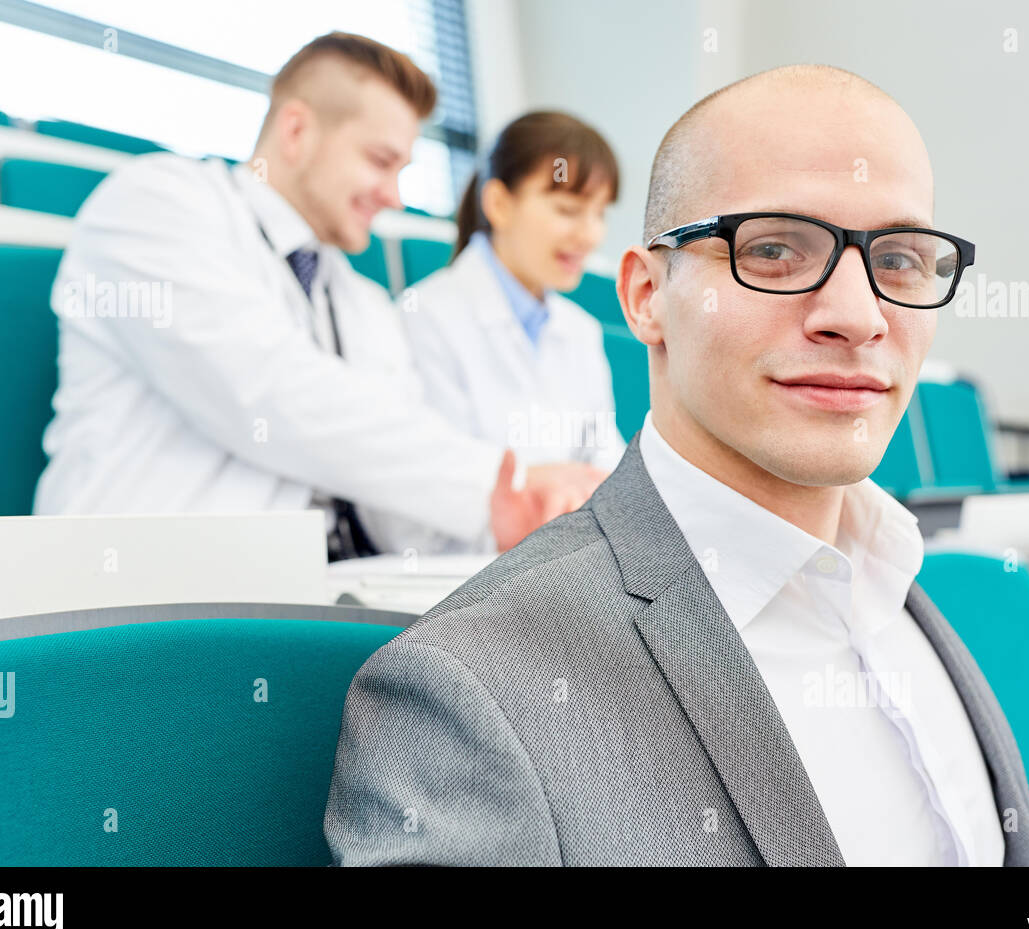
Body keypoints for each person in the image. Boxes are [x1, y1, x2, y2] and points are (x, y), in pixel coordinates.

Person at [324, 65, 1029, 866]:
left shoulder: (909, 597)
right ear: (644, 296)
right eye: (774, 248)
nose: (858, 316)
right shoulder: (472, 693)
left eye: (904, 260)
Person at [33, 32, 604, 558]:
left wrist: (533, 515)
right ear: (296, 131)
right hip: (134, 600)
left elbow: (398, 485)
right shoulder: (157, 205)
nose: (394, 197)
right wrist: (501, 485)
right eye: (380, 162)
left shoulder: (360, 303)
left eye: (403, 169)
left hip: (303, 597)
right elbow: (270, 392)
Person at [399, 113, 626, 555]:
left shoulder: (579, 330)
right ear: (500, 204)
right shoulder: (425, 316)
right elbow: (428, 488)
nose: (590, 233)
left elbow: (607, 468)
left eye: (599, 214)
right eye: (568, 210)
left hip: (566, 567)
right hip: (464, 576)